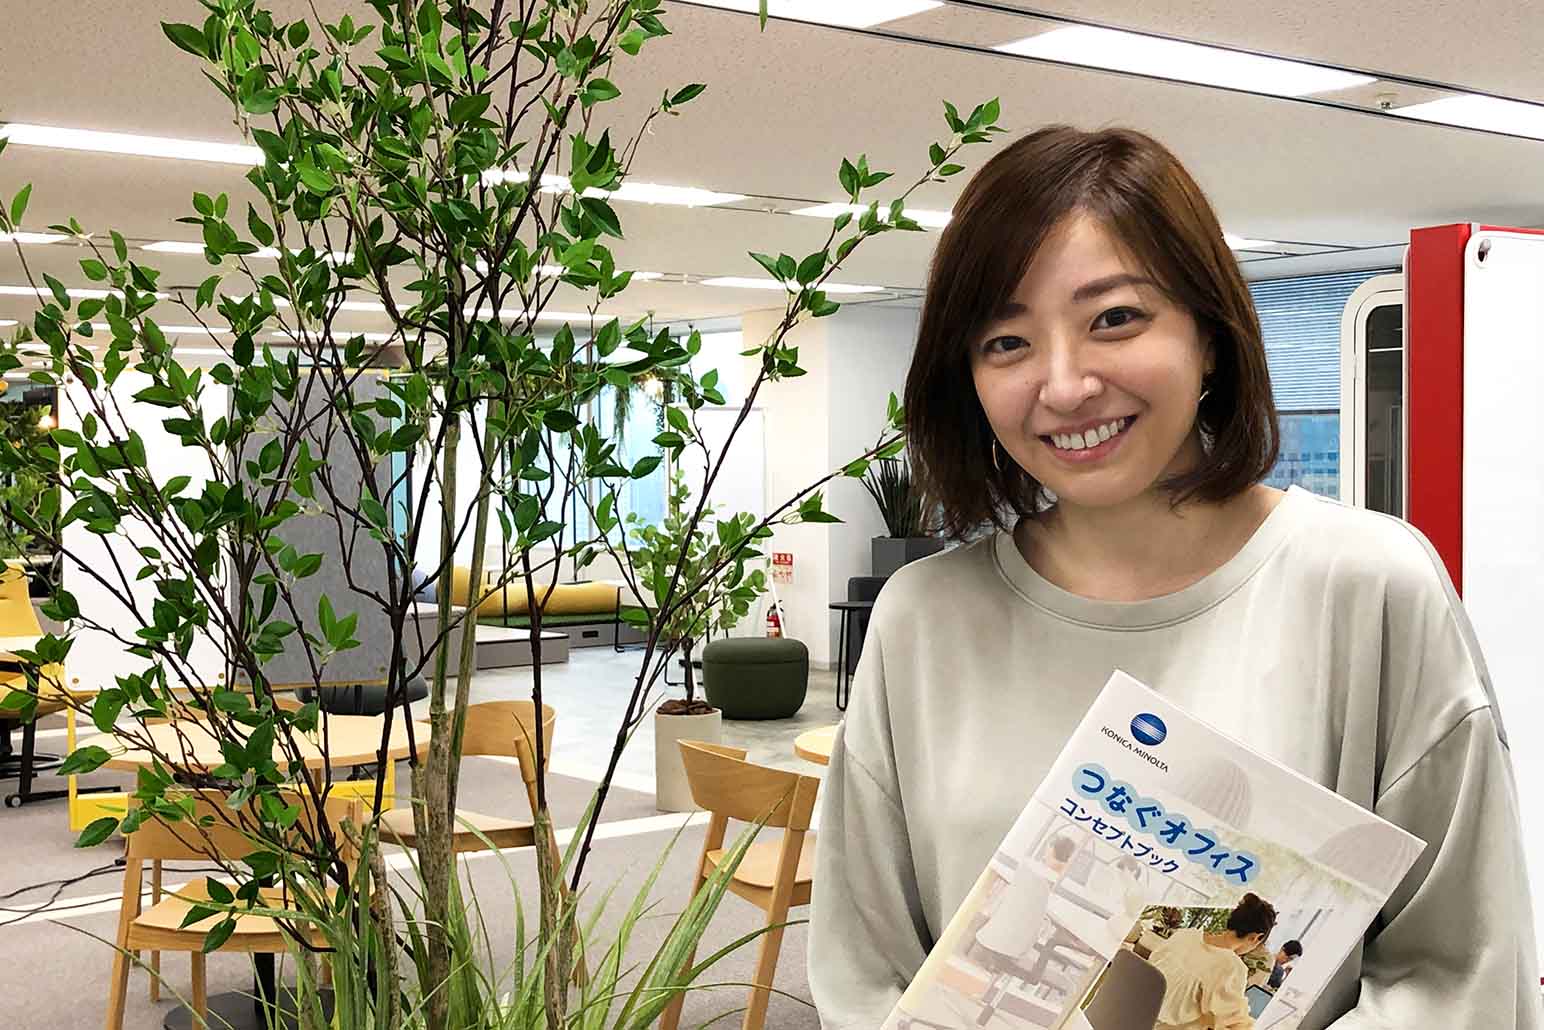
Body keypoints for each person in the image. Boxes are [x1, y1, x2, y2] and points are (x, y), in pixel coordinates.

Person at [805, 125, 1542, 1030]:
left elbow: (1462, 975)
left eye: (1115, 318)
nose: (1065, 385)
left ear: (1211, 334)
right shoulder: (924, 619)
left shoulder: (1367, 588)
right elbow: (862, 971)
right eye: (1006, 341)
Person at [1148, 895, 1277, 1030]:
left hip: (1137, 1013)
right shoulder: (1230, 967)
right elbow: (1234, 1022)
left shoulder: (1185, 935)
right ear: (1256, 937)